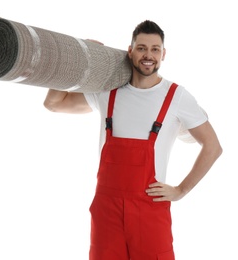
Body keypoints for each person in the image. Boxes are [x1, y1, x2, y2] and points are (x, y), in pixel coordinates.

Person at [43, 20, 222, 260]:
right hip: (107, 210)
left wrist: (181, 190)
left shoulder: (176, 97)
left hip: (149, 210)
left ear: (163, 54)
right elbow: (54, 104)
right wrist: (78, 57)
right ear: (130, 50)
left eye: (155, 49)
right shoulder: (107, 90)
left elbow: (213, 146)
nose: (148, 55)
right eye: (141, 48)